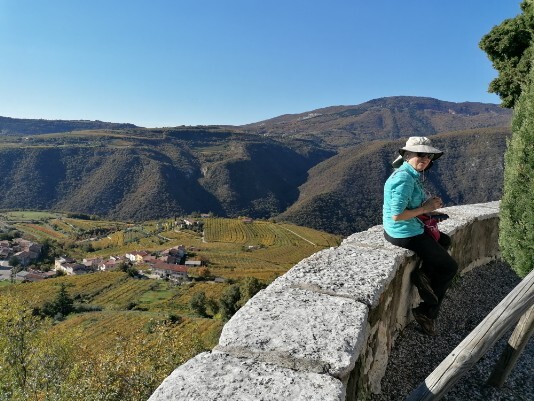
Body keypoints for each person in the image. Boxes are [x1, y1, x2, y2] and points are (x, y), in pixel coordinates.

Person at [383, 136, 458, 336]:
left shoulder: (410, 174)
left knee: (445, 240)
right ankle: (427, 312)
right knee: (450, 267)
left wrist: (430, 210)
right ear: (407, 155)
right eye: (420, 154)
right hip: (404, 233)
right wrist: (426, 207)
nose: (425, 159)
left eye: (428, 156)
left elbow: (408, 207)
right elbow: (397, 215)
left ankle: (423, 275)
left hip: (406, 228)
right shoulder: (404, 179)